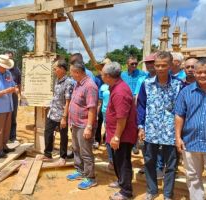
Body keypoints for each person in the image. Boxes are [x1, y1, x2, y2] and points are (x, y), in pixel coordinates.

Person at [137, 51, 184, 200]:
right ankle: (152, 190)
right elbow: (141, 106)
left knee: (171, 166)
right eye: (157, 65)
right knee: (149, 161)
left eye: (164, 65)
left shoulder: (178, 84)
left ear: (170, 65)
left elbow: (182, 109)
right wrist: (140, 126)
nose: (160, 68)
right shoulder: (147, 84)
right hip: (151, 130)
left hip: (171, 132)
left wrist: (180, 133)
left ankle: (168, 194)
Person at [175, 58, 206, 200]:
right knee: (192, 177)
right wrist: (178, 137)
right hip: (190, 142)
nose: (203, 75)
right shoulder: (186, 91)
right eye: (199, 72)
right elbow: (179, 115)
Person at [101, 62, 137, 200]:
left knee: (123, 162)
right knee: (118, 160)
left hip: (122, 135)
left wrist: (116, 137)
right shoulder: (115, 87)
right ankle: (122, 182)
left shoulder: (120, 91)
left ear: (109, 76)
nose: (101, 76)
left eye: (103, 74)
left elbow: (122, 118)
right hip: (116, 133)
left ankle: (126, 192)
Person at [66, 62, 98, 190]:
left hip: (84, 125)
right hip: (76, 123)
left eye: (72, 73)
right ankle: (80, 170)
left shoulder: (90, 86)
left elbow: (92, 108)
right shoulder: (78, 84)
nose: (71, 75)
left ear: (77, 72)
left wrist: (89, 127)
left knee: (86, 152)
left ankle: (90, 178)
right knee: (76, 149)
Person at [38, 59, 73, 165]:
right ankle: (47, 154)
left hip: (62, 114)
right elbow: (56, 97)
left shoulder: (69, 82)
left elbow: (68, 102)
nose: (54, 71)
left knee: (63, 135)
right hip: (52, 112)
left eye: (55, 68)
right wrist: (49, 105)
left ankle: (63, 156)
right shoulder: (57, 80)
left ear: (62, 69)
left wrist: (64, 117)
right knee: (48, 132)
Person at [5, 51, 21, 143]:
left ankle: (13, 137)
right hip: (4, 97)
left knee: (13, 117)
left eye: (11, 57)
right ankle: (5, 137)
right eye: (7, 57)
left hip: (14, 96)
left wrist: (19, 94)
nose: (9, 59)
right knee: (5, 117)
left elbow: (19, 83)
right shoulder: (2, 70)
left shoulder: (16, 70)